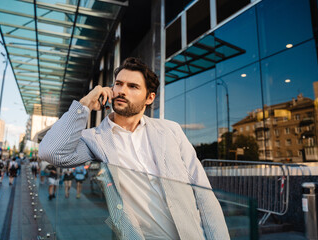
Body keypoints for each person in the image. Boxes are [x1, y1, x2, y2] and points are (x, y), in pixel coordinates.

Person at [39, 57, 230, 239]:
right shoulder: (95, 139)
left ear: (149, 98)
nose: (122, 91)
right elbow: (51, 152)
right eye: (119, 84)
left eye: (133, 87)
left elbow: (203, 192)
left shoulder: (170, 130)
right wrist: (85, 103)